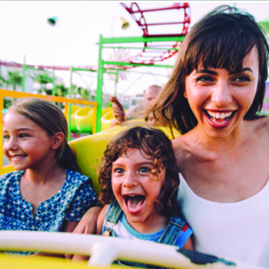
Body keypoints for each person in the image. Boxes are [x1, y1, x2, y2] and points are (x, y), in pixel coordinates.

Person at [145, 5, 269, 268]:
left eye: (240, 79)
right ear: (184, 86)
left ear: (259, 82)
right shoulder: (164, 162)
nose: (221, 98)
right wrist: (94, 212)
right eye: (205, 78)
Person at [1, 98, 99, 256]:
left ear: (55, 140)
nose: (10, 146)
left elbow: (66, 254)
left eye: (23, 135)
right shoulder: (3, 186)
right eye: (6, 136)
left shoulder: (76, 190)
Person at [95, 126, 193, 267]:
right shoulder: (108, 216)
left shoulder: (178, 237)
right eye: (119, 170)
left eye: (144, 169)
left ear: (167, 178)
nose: (128, 182)